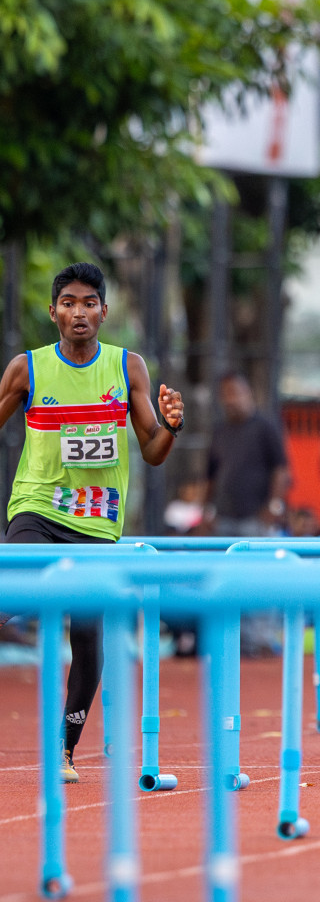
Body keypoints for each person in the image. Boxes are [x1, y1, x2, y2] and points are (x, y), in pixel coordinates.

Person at [0, 262, 185, 782]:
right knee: (11, 595)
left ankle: (64, 749)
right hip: (37, 507)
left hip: (97, 522)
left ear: (104, 311)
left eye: (88, 303)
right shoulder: (26, 369)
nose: (78, 312)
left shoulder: (128, 368)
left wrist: (173, 425)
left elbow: (152, 451)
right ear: (53, 311)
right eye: (68, 303)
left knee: (88, 640)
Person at [206, 372, 289, 537]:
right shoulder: (220, 431)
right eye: (225, 394)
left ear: (247, 392)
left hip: (256, 517)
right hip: (223, 517)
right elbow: (211, 474)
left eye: (234, 392)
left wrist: (274, 506)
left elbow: (280, 468)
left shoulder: (265, 427)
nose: (230, 400)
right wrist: (206, 510)